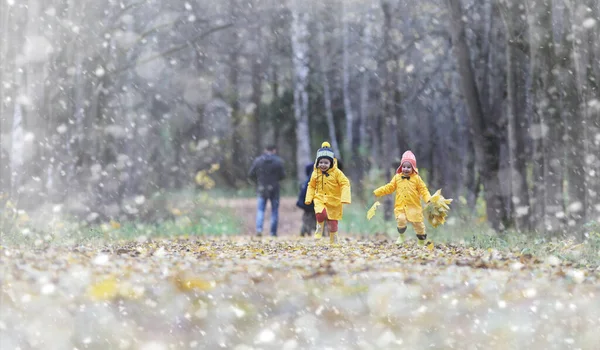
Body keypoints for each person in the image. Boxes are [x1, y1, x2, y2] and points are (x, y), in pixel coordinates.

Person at [373, 150, 432, 247]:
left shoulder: (417, 179)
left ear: (413, 168)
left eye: (409, 167)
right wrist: (378, 192)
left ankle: (421, 241)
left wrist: (428, 199)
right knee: (401, 219)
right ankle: (401, 236)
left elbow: (423, 190)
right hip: (401, 207)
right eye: (404, 166)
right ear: (401, 167)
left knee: (419, 226)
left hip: (414, 207)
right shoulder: (397, 178)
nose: (406, 169)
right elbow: (389, 187)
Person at [304, 142, 351, 245]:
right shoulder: (315, 173)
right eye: (321, 162)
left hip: (334, 200)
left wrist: (345, 197)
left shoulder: (337, 173)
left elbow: (345, 183)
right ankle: (319, 228)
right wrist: (309, 198)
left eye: (326, 163)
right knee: (320, 214)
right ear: (317, 163)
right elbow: (311, 186)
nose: (323, 165)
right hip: (319, 198)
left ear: (331, 163)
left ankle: (333, 240)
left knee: (333, 224)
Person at [248, 145, 285, 237]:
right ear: (274, 150)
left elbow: (251, 174)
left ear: (265, 150)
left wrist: (258, 181)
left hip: (261, 188)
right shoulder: (278, 161)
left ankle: (259, 229)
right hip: (275, 189)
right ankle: (272, 233)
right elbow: (283, 175)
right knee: (274, 211)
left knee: (260, 210)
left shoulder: (258, 161)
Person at [296, 163, 316, 236]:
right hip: (310, 197)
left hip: (307, 196)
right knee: (311, 214)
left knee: (308, 214)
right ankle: (307, 228)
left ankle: (306, 228)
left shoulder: (312, 167)